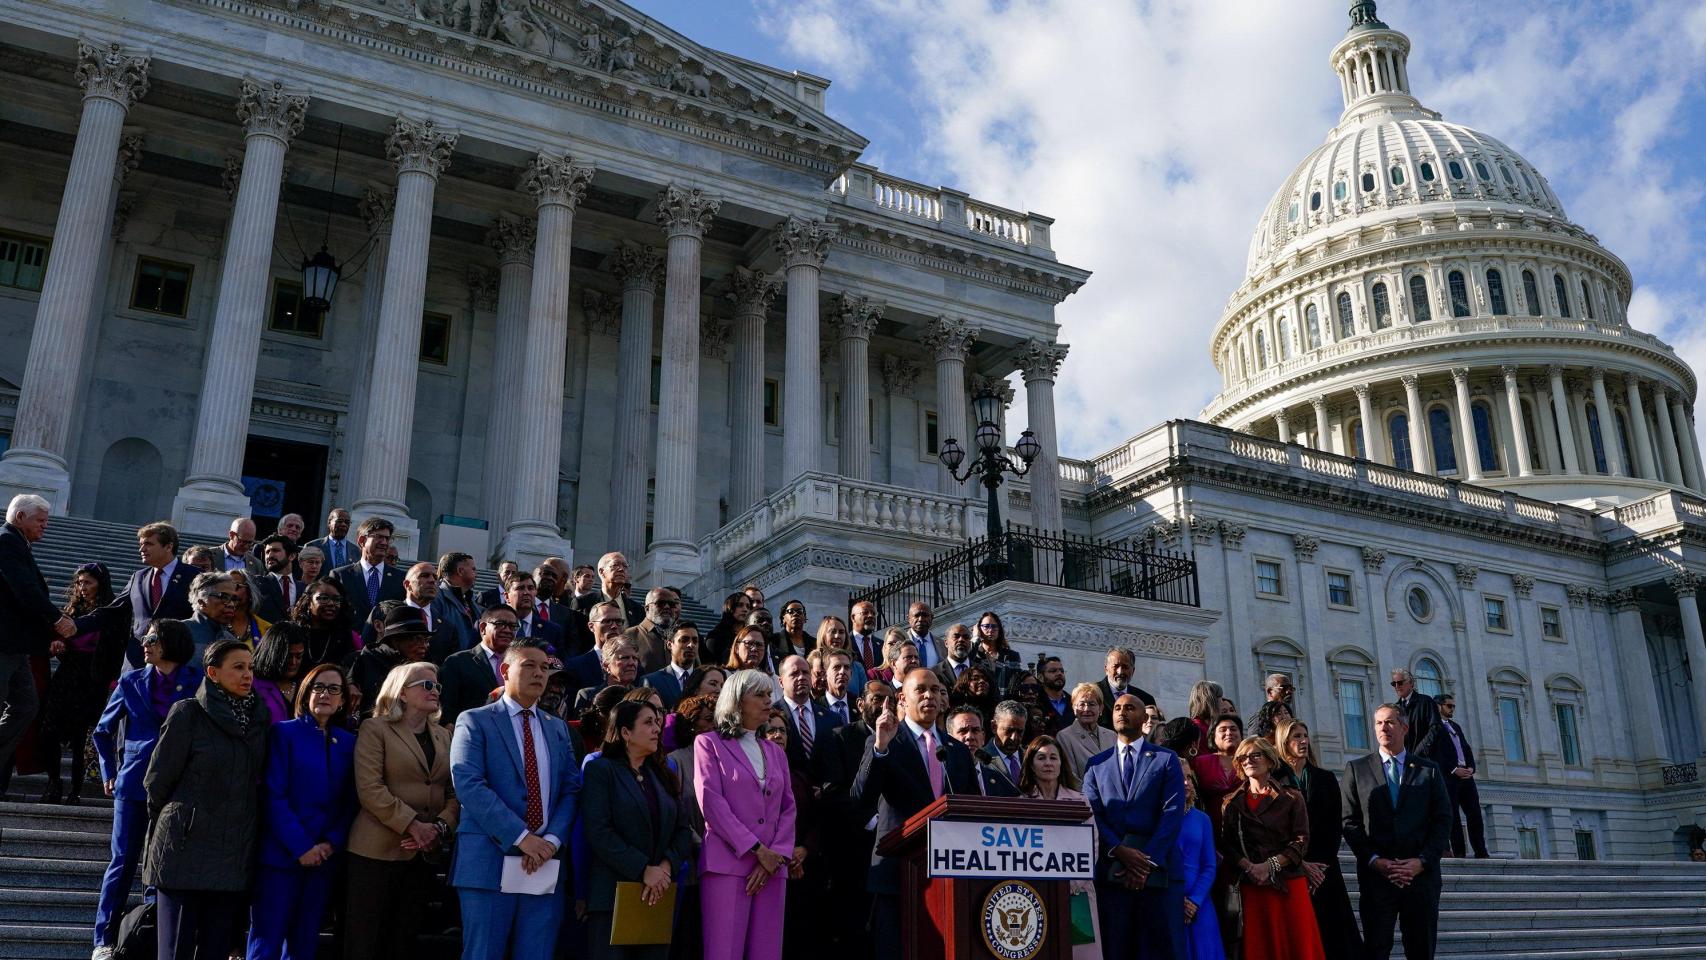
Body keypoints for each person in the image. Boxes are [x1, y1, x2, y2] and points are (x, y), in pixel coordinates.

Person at [450, 639, 581, 960]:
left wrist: (550, 841)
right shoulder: (474, 720)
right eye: (530, 665)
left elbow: (570, 789)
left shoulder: (558, 728)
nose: (540, 673)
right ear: (505, 670)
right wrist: (523, 838)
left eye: (545, 668)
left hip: (545, 863)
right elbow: (468, 784)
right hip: (489, 861)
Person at [142, 639, 270, 960]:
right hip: (183, 851)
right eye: (238, 667)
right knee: (175, 952)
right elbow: (157, 781)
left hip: (232, 854)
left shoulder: (258, 719)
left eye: (251, 668)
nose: (248, 675)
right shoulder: (188, 713)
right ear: (213, 673)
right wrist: (178, 822)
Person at [90, 619, 200, 959]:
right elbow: (102, 731)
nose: (145, 644)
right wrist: (109, 770)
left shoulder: (196, 681)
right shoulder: (131, 680)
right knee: (123, 861)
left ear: (171, 643)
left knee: (162, 862)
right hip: (134, 781)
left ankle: (150, 937)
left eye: (152, 639)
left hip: (177, 784)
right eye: (145, 638)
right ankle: (104, 939)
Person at [853, 668, 977, 951]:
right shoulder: (886, 741)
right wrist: (880, 746)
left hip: (949, 873)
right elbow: (861, 798)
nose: (929, 696)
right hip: (898, 873)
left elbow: (971, 807)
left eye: (935, 690)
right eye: (920, 690)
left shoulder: (957, 750)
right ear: (902, 698)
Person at [347, 661, 456, 960]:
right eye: (427, 685)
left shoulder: (443, 736)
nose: (435, 691)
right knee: (366, 942)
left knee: (403, 941)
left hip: (423, 854)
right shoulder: (375, 728)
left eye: (437, 686)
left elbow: (452, 793)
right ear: (402, 692)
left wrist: (439, 828)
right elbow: (370, 788)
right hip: (377, 853)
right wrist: (413, 826)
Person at [248, 663, 357, 960]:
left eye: (334, 689)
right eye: (318, 687)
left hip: (324, 860)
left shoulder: (349, 742)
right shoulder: (283, 733)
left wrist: (330, 843)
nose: (325, 694)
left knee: (304, 943)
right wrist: (301, 846)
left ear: (343, 700)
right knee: (267, 941)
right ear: (306, 693)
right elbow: (273, 794)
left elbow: (350, 801)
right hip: (281, 857)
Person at [695, 669, 796, 960]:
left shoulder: (776, 752)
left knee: (767, 952)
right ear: (737, 701)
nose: (768, 701)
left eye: (769, 694)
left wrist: (775, 855)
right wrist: (757, 850)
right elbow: (711, 803)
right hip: (727, 865)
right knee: (724, 952)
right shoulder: (708, 743)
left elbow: (788, 807)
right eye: (760, 695)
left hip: (773, 868)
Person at [581, 698, 695, 959]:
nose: (657, 728)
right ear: (625, 732)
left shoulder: (663, 773)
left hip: (657, 894)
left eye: (657, 722)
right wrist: (643, 869)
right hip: (612, 897)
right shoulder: (601, 770)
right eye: (648, 722)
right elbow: (599, 832)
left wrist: (665, 868)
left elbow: (683, 830)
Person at [1341, 703, 1452, 960]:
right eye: (1379, 723)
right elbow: (1349, 821)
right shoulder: (1357, 769)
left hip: (1420, 879)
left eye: (1390, 722)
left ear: (1404, 727)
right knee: (1376, 950)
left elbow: (1442, 820)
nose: (1384, 728)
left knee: (1421, 951)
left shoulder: (1428, 770)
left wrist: (1421, 862)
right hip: (1378, 879)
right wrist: (1374, 860)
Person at [1081, 692, 1186, 960]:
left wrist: (1145, 864)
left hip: (1158, 875)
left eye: (1129, 708)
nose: (1122, 712)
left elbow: (1172, 813)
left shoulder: (1166, 759)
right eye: (1117, 707)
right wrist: (1118, 850)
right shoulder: (1096, 765)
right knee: (1117, 949)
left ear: (1143, 718)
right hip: (1113, 873)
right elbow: (1092, 814)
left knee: (1161, 951)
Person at [1219, 736, 1325, 960]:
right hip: (1253, 884)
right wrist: (1250, 867)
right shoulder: (1231, 802)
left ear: (1269, 760)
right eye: (1243, 757)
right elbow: (1227, 845)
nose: (1248, 760)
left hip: (1288, 882)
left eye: (1255, 755)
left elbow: (1301, 841)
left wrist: (1270, 865)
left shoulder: (1292, 797)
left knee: (1298, 946)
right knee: (1261, 948)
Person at [0, 495, 75, 789]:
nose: (45, 526)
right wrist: (56, 619)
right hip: (3, 644)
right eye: (40, 520)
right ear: (20, 517)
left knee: (26, 706)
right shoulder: (6, 541)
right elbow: (24, 588)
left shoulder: (19, 543)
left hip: (17, 647)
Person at [37, 562, 125, 803]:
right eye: (79, 582)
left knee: (80, 736)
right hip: (67, 675)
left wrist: (112, 681)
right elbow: (61, 641)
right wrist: (58, 646)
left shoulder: (111, 613)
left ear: (100, 584)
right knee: (48, 731)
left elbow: (116, 649)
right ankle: (54, 783)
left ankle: (75, 790)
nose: (82, 587)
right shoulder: (73, 610)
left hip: (93, 679)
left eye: (88, 582)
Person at [1278, 718, 1362, 960]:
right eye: (1296, 736)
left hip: (1324, 868)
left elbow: (1336, 824)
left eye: (1305, 735)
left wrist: (1320, 865)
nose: (1303, 741)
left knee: (1334, 933)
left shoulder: (1324, 778)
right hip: (1290, 867)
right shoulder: (1275, 779)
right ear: (1284, 741)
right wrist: (1299, 862)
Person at [1018, 735, 1100, 960]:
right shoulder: (1022, 803)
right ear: (1031, 765)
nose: (1048, 763)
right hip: (1036, 894)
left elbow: (1092, 843)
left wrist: (1073, 882)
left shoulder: (1080, 800)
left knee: (1080, 953)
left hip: (1077, 892)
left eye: (1053, 758)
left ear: (1062, 763)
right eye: (1041, 758)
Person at [75, 521, 196, 673]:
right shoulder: (138, 577)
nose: (141, 549)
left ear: (168, 546)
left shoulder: (194, 576)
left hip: (175, 660)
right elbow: (113, 610)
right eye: (141, 544)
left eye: (148, 544)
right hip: (137, 660)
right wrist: (75, 625)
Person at [1431, 693, 1489, 858]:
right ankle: (1459, 852)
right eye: (1449, 706)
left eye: (1453, 706)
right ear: (1438, 707)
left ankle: (1481, 851)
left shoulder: (1455, 726)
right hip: (1449, 778)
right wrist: (1453, 769)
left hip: (1466, 776)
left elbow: (1466, 748)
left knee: (1475, 814)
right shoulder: (1433, 727)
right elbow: (1435, 754)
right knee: (1453, 816)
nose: (1452, 709)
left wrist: (1471, 767)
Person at [1175, 770, 1225, 960]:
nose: (1186, 783)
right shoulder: (1158, 819)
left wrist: (1194, 901)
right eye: (1180, 778)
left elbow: (1209, 865)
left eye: (1189, 778)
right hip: (1169, 902)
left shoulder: (1202, 819)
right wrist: (1175, 899)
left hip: (1200, 904)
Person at [440, 604, 517, 725]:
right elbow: (447, 711)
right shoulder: (457, 662)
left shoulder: (520, 665)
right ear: (482, 628)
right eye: (500, 624)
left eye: (512, 626)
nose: (507, 630)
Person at [348, 606, 434, 713]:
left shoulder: (426, 665)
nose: (424, 646)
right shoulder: (366, 660)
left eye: (426, 640)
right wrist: (350, 685)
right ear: (395, 640)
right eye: (417, 639)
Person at [328, 517, 405, 627]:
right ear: (362, 541)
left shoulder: (400, 578)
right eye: (379, 537)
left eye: (387, 538)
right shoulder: (340, 575)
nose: (384, 542)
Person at [945, 704, 1018, 796]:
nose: (970, 737)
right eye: (963, 731)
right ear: (949, 739)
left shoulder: (1000, 778)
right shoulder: (943, 777)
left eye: (975, 730)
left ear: (983, 737)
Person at [1193, 714, 1245, 836]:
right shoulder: (1200, 763)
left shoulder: (1249, 761)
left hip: (1246, 829)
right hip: (1211, 830)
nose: (1229, 733)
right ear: (1213, 737)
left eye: (1233, 729)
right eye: (1223, 730)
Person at [290, 578, 358, 669]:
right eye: (324, 598)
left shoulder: (345, 636)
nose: (331, 603)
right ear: (309, 602)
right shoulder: (293, 633)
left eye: (336, 599)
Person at [1058, 681, 1117, 783]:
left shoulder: (1112, 736)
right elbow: (1071, 777)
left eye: (1092, 704)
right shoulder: (1065, 737)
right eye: (1082, 704)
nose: (1086, 709)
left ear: (1101, 708)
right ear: (1074, 708)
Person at [252, 622, 309, 723]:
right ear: (272, 653)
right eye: (288, 656)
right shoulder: (253, 684)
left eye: (299, 656)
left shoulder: (307, 685)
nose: (293, 662)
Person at [431, 551, 481, 660]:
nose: (477, 574)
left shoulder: (472, 601)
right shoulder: (436, 598)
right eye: (473, 569)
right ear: (460, 571)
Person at [573, 551, 645, 626]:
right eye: (615, 565)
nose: (621, 569)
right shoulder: (583, 603)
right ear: (602, 572)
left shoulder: (638, 609)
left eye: (625, 566)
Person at [640, 622, 701, 710]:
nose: (691, 645)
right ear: (669, 644)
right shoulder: (651, 681)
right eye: (684, 640)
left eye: (695, 641)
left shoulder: (705, 679)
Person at [1096, 646, 1156, 727]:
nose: (1120, 672)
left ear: (1133, 671)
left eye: (1125, 667)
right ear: (1106, 669)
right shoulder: (1093, 693)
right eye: (1116, 666)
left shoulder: (1145, 699)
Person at [624, 587, 680, 674]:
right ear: (647, 608)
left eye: (671, 604)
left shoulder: (684, 636)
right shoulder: (628, 636)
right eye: (660, 603)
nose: (667, 607)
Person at [1389, 668, 1440, 757]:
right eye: (1394, 684)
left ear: (1411, 683)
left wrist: (1419, 752)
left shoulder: (1426, 701)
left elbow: (1435, 727)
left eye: (1400, 683)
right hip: (1406, 759)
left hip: (1426, 758)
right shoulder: (1396, 708)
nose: (1397, 686)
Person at [252, 534, 302, 624]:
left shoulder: (304, 588)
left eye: (275, 550)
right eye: (267, 552)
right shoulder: (256, 584)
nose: (269, 556)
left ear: (292, 556)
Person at [813, 616, 868, 695]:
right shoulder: (812, 664)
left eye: (841, 632)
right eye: (833, 631)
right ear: (823, 635)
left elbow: (865, 696)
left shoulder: (857, 667)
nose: (837, 636)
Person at [986, 699, 1029, 785]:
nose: (1014, 738)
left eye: (1020, 732)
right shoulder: (980, 761)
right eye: (1009, 731)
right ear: (994, 727)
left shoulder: (1031, 759)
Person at [702, 592, 751, 667]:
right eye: (740, 605)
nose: (745, 609)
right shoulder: (715, 636)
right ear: (730, 607)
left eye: (748, 606)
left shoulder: (751, 635)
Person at [932, 622, 986, 689]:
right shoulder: (934, 673)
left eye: (966, 637)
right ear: (946, 643)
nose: (961, 640)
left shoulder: (984, 671)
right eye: (956, 637)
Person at [225, 568, 268, 644]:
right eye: (226, 587)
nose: (231, 592)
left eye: (236, 586)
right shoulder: (215, 625)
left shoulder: (266, 629)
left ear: (250, 591)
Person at [1186, 680, 1224, 754]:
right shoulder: (1195, 729)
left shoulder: (1210, 726)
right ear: (1212, 702)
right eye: (1220, 698)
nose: (1223, 702)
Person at [1037, 655, 1072, 733]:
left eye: (1061, 671)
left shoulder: (1073, 702)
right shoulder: (1036, 702)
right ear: (1040, 677)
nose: (1059, 673)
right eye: (1053, 671)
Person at [903, 601, 943, 668]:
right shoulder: (901, 641)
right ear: (908, 618)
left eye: (925, 615)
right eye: (916, 615)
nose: (921, 619)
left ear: (932, 618)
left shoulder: (942, 644)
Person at [846, 600, 882, 673]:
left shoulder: (882, 644)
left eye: (874, 613)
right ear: (853, 617)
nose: (871, 616)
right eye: (865, 613)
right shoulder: (845, 642)